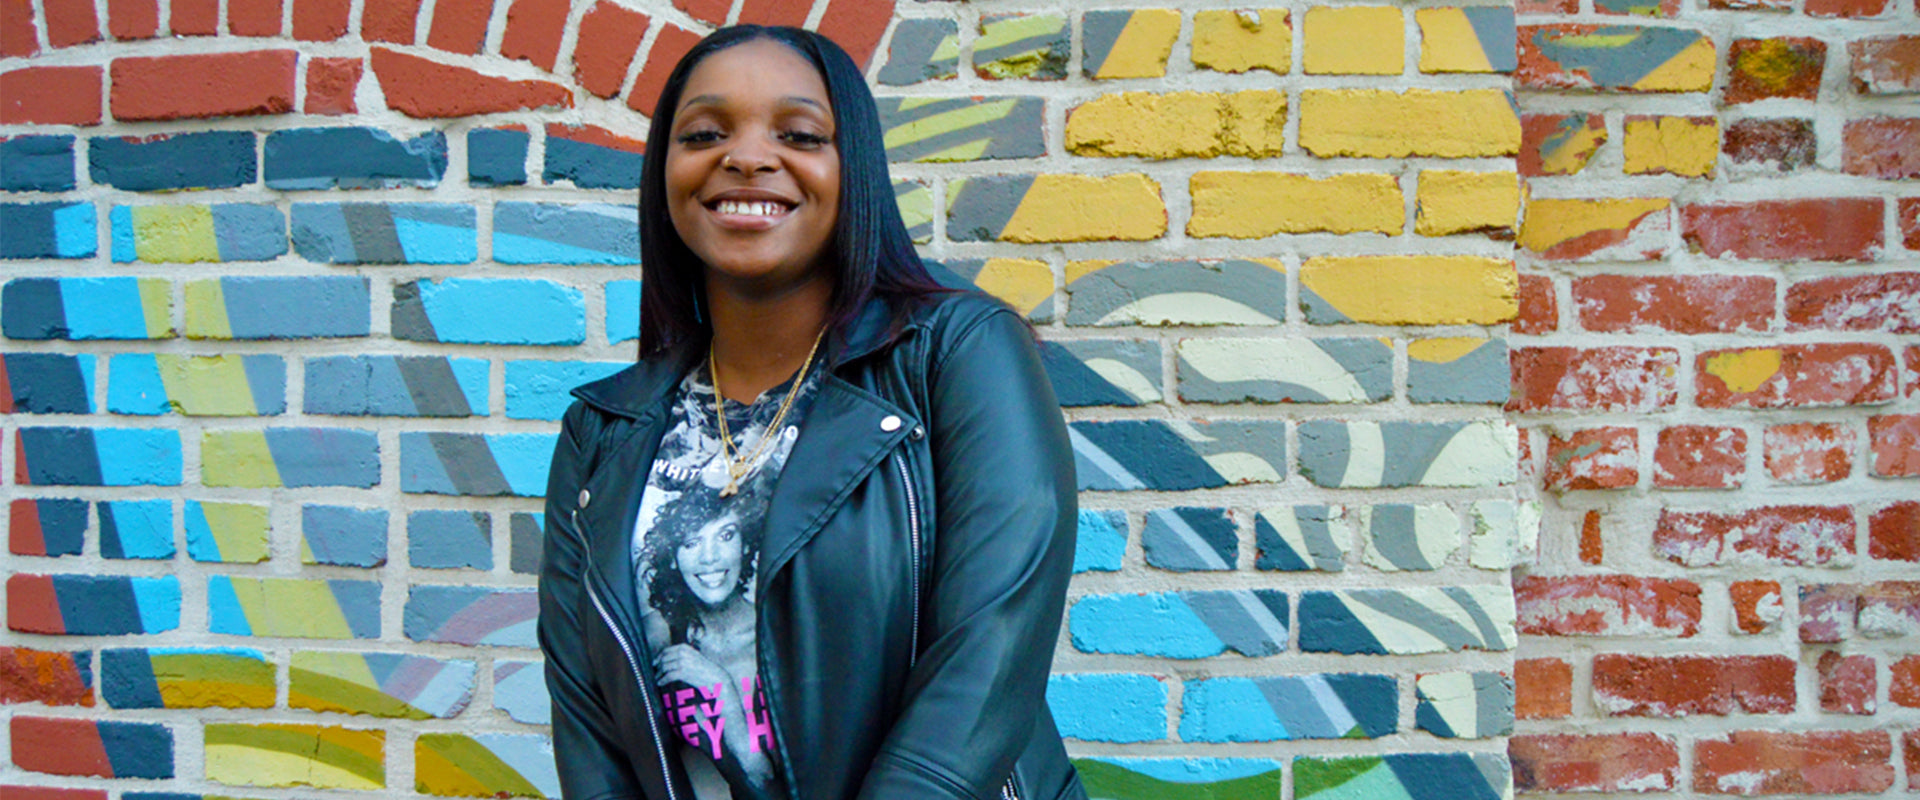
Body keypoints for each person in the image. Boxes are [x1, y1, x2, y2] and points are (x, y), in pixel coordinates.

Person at [537, 23, 1086, 800]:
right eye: (703, 133)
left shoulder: (959, 355)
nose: (749, 157)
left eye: (797, 133)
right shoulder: (605, 431)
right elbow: (590, 730)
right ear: (666, 171)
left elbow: (988, 659)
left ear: (851, 167)